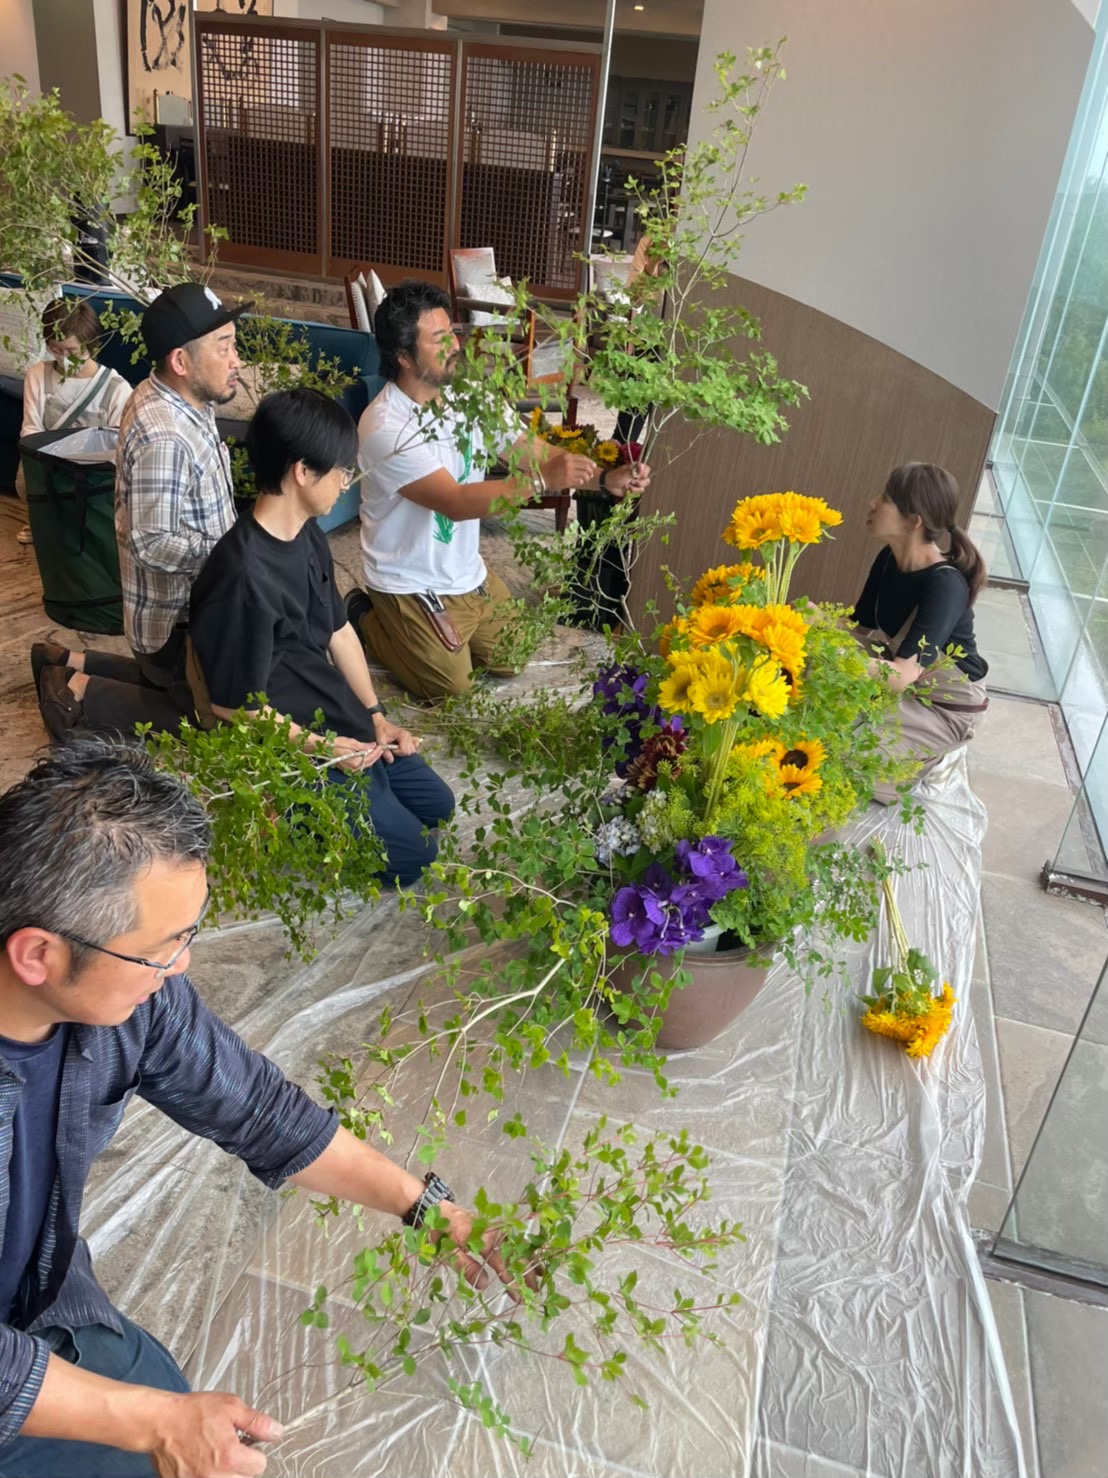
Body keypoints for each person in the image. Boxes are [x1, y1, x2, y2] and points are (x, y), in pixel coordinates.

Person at [0, 739, 513, 1478]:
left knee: (176, 1414)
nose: (183, 966)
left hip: (48, 1300)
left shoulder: (135, 1006)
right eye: (161, 948)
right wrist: (154, 1424)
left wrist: (429, 1209)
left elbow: (259, 1109)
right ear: (38, 954)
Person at [189, 388, 455, 887]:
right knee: (413, 859)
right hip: (293, 750)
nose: (346, 482)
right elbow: (233, 707)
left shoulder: (307, 532)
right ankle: (284, 811)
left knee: (439, 808)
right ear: (301, 472)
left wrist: (377, 718)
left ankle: (355, 799)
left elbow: (337, 629)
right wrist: (326, 747)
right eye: (341, 471)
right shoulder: (242, 576)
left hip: (335, 722)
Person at [346, 279, 650, 700]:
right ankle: (365, 617)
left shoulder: (467, 396)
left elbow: (527, 449)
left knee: (513, 658)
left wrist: (603, 478)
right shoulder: (385, 427)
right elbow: (454, 502)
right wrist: (542, 481)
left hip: (466, 573)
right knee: (451, 689)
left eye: (452, 332)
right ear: (402, 355)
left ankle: (435, 634)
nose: (455, 345)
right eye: (439, 339)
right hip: (411, 582)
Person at [34, 282, 251, 742]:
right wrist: (235, 556)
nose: (238, 360)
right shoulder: (165, 435)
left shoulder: (180, 396)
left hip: (180, 612)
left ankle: (67, 659)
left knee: (182, 687)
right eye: (225, 347)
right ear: (180, 361)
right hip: (175, 623)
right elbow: (151, 542)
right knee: (207, 722)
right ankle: (76, 688)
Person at [852, 462, 989, 799]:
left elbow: (901, 676)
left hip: (945, 707)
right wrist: (807, 622)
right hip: (912, 684)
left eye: (884, 498)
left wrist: (840, 659)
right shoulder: (888, 558)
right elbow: (856, 630)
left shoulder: (945, 586)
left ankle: (929, 759)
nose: (872, 503)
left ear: (914, 520)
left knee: (854, 760)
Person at [15, 298, 132, 545]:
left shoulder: (116, 389)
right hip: (46, 464)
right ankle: (39, 517)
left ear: (90, 346)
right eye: (56, 350)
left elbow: (116, 448)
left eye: (72, 352)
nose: (64, 359)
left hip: (91, 473)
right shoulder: (38, 375)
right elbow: (31, 429)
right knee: (27, 471)